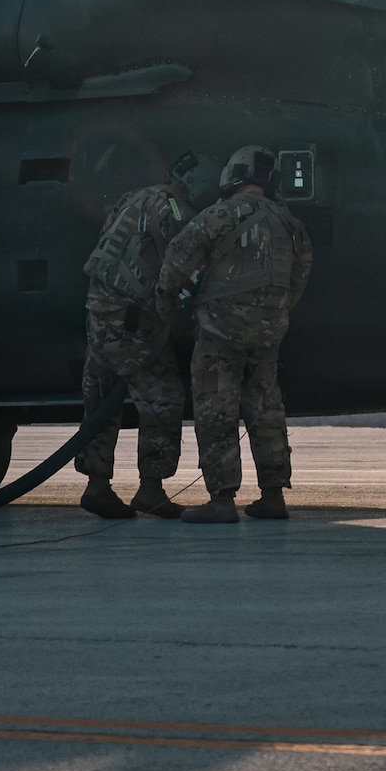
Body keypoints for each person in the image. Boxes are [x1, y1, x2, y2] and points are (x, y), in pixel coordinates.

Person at [155, 146, 313, 524]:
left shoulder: (217, 216)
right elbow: (300, 275)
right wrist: (274, 311)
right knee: (266, 410)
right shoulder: (290, 223)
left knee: (216, 411)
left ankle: (222, 499)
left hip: (219, 331)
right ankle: (273, 495)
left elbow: (177, 262)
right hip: (268, 333)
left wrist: (167, 315)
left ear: (234, 175)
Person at [74, 151, 220, 519]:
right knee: (165, 399)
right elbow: (180, 269)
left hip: (99, 312)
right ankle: (151, 489)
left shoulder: (134, 197)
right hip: (133, 323)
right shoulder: (175, 213)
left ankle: (97, 485)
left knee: (100, 399)